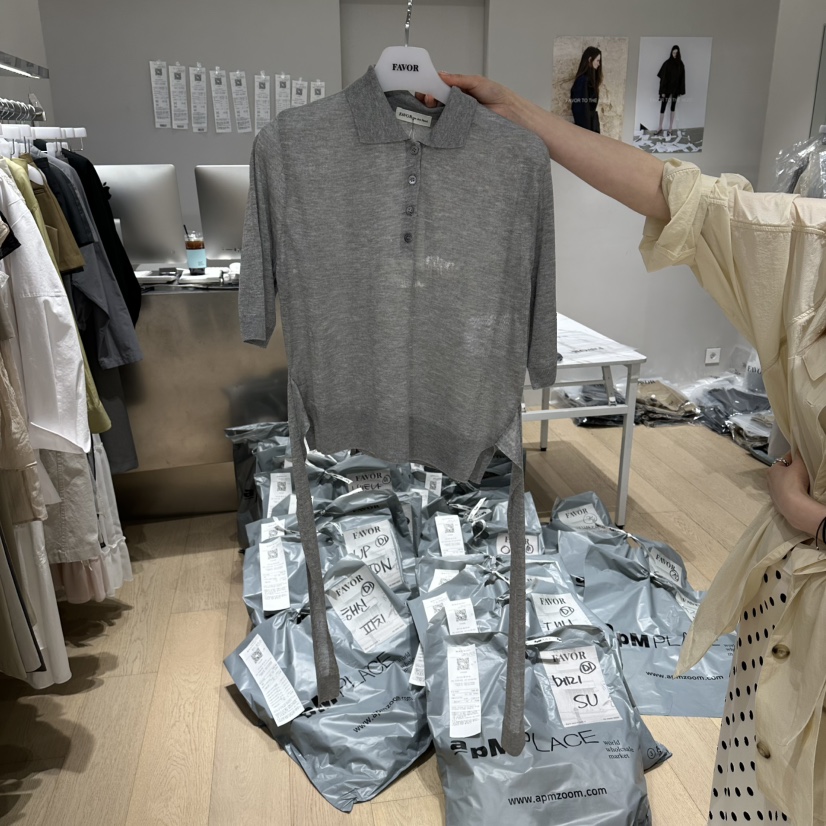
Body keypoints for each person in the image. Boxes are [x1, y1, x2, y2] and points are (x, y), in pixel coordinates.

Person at [421, 72, 826, 826]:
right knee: (765, 781)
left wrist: (814, 518)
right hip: (789, 603)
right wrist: (521, 114)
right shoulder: (813, 248)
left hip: (806, 552)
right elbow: (684, 196)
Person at [570, 46, 602, 133]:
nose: (599, 64)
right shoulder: (583, 80)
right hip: (586, 129)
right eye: (597, 61)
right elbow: (581, 109)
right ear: (590, 59)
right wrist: (587, 133)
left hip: (589, 127)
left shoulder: (585, 80)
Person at [656, 45, 686, 135]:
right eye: (673, 52)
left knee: (673, 107)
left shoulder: (681, 64)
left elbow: (682, 79)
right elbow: (662, 78)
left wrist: (680, 90)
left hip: (675, 89)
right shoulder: (667, 63)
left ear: (679, 53)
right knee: (663, 107)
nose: (674, 54)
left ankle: (670, 127)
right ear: (671, 53)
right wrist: (662, 91)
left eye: (676, 53)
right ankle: (660, 126)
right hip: (666, 89)